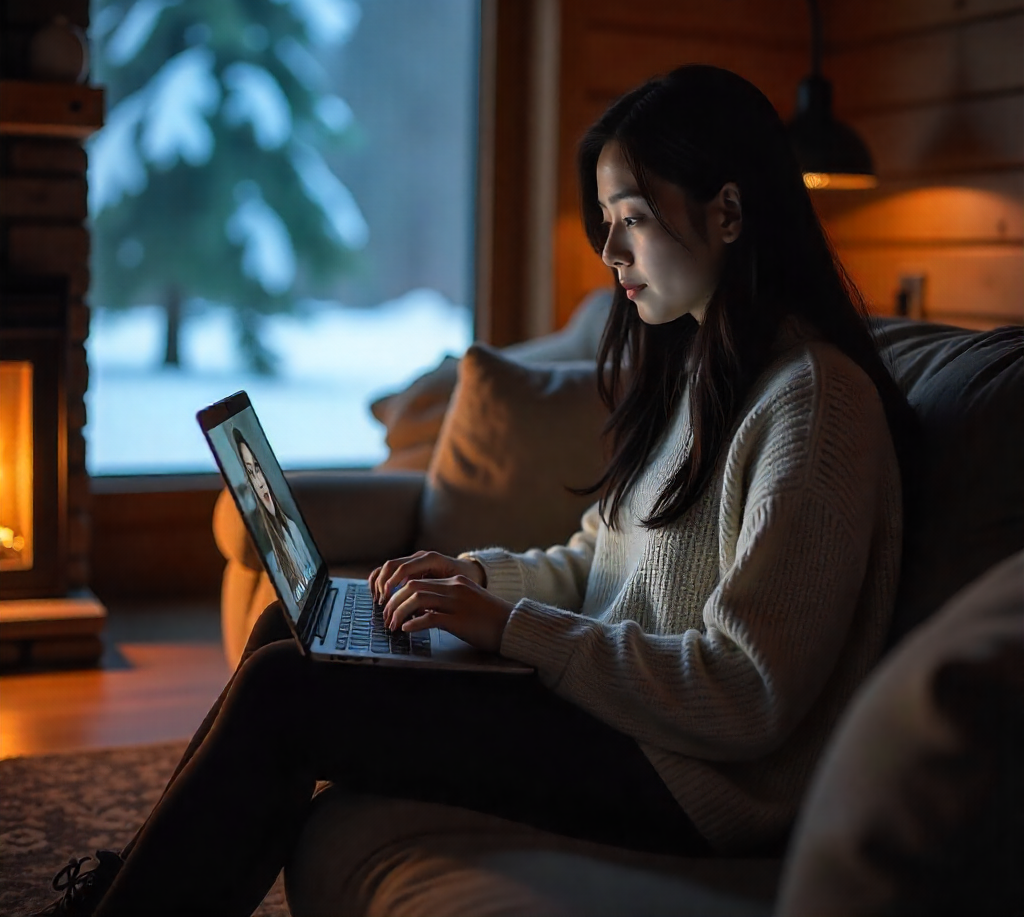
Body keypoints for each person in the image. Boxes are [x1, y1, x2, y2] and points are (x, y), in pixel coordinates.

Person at [31, 65, 914, 917]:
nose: (609, 252)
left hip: (692, 780)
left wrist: (512, 631)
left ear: (728, 213)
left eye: (632, 219)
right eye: (607, 221)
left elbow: (746, 693)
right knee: (287, 632)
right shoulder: (705, 370)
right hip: (624, 716)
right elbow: (595, 562)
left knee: (290, 694)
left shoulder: (814, 406)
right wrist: (476, 583)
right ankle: (125, 891)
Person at [231, 427, 315, 607]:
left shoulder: (292, 527)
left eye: (257, 469)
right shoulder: (271, 554)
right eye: (251, 474)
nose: (260, 482)